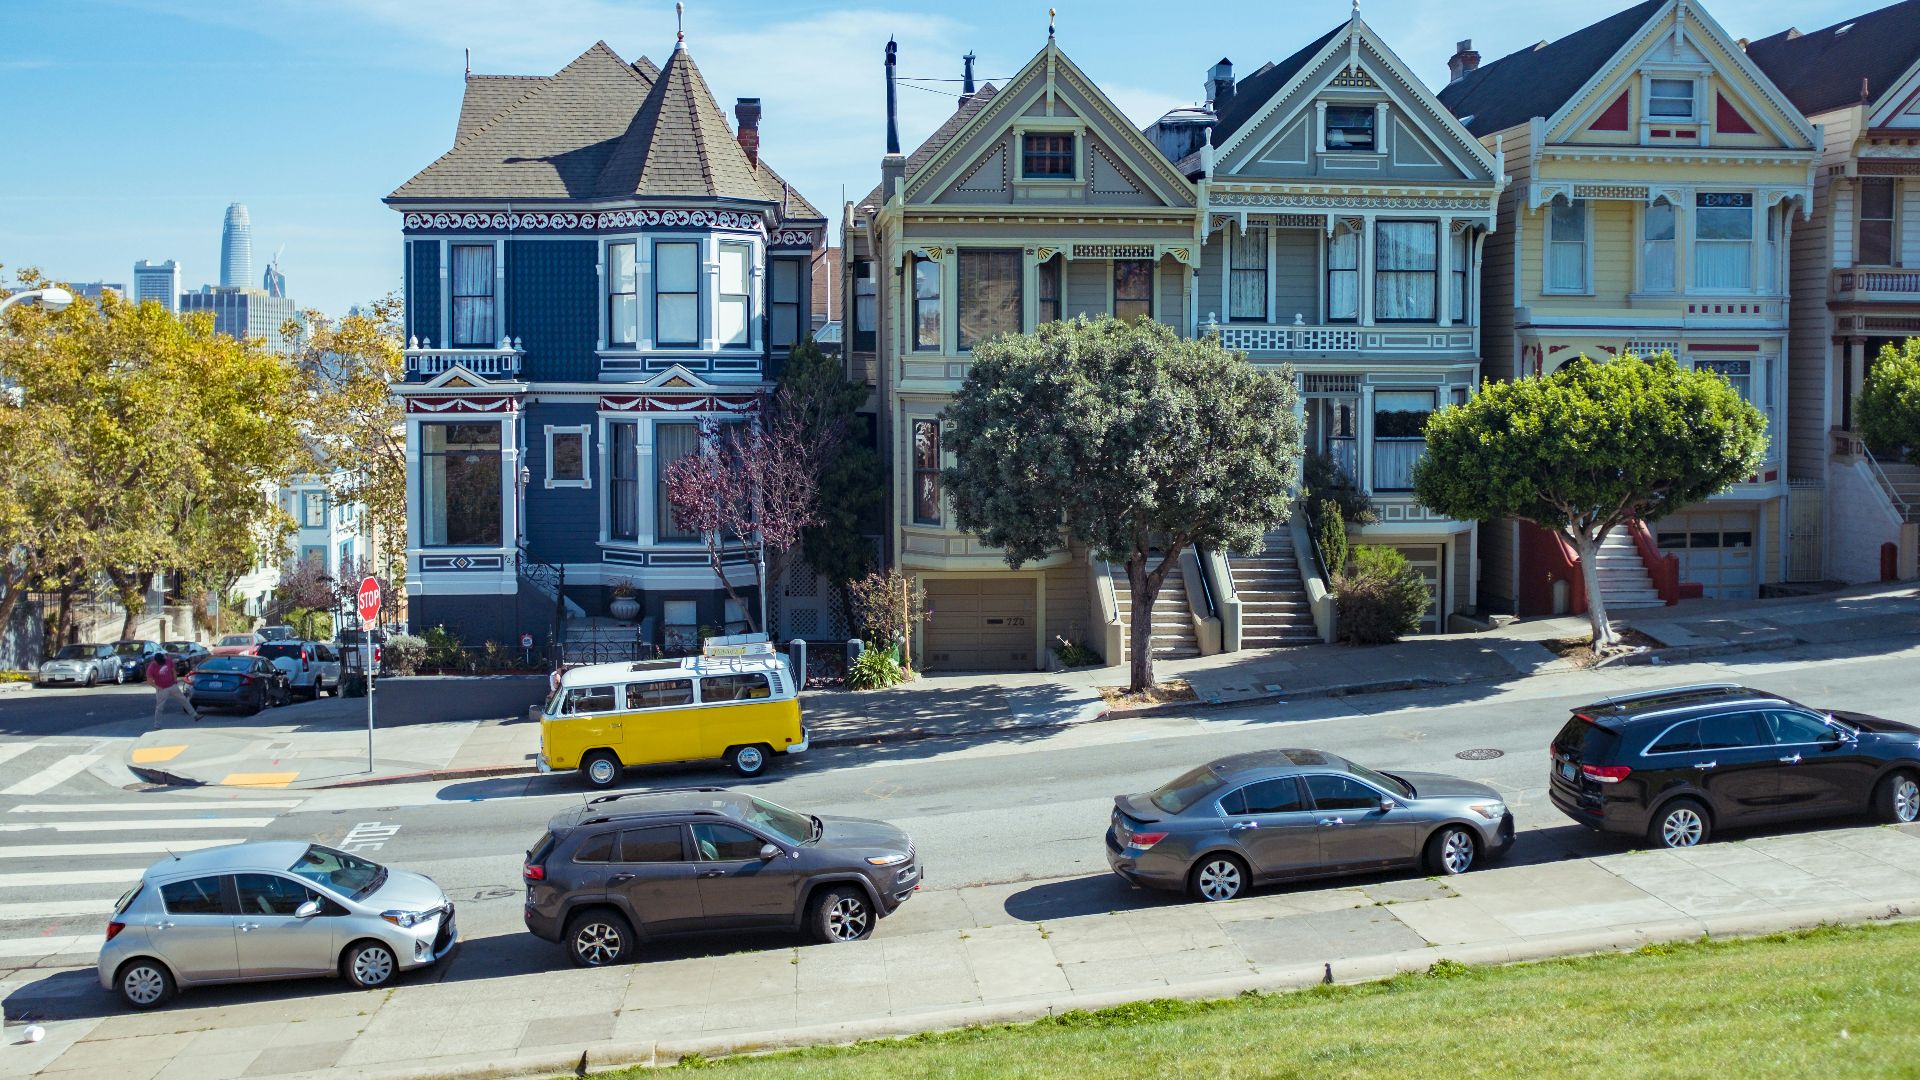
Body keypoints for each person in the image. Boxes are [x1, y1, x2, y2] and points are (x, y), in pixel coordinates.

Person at [148, 651, 201, 726]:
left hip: (172, 685)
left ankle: (195, 715)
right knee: (159, 707)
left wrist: (175, 680)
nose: (161, 663)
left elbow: (173, 671)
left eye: (162, 661)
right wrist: (158, 687)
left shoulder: (168, 660)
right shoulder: (151, 667)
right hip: (162, 688)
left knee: (184, 700)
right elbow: (149, 680)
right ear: (155, 660)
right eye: (159, 662)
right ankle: (157, 724)